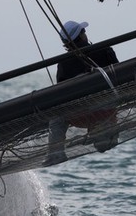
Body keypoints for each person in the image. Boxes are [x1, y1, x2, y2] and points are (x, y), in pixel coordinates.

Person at [46, 20, 120, 164]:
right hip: (106, 110)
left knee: (57, 118)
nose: (85, 34)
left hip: (79, 116)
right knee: (104, 142)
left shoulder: (62, 63)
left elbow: (62, 93)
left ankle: (56, 154)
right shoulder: (104, 50)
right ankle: (103, 135)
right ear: (80, 36)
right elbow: (118, 76)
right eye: (83, 31)